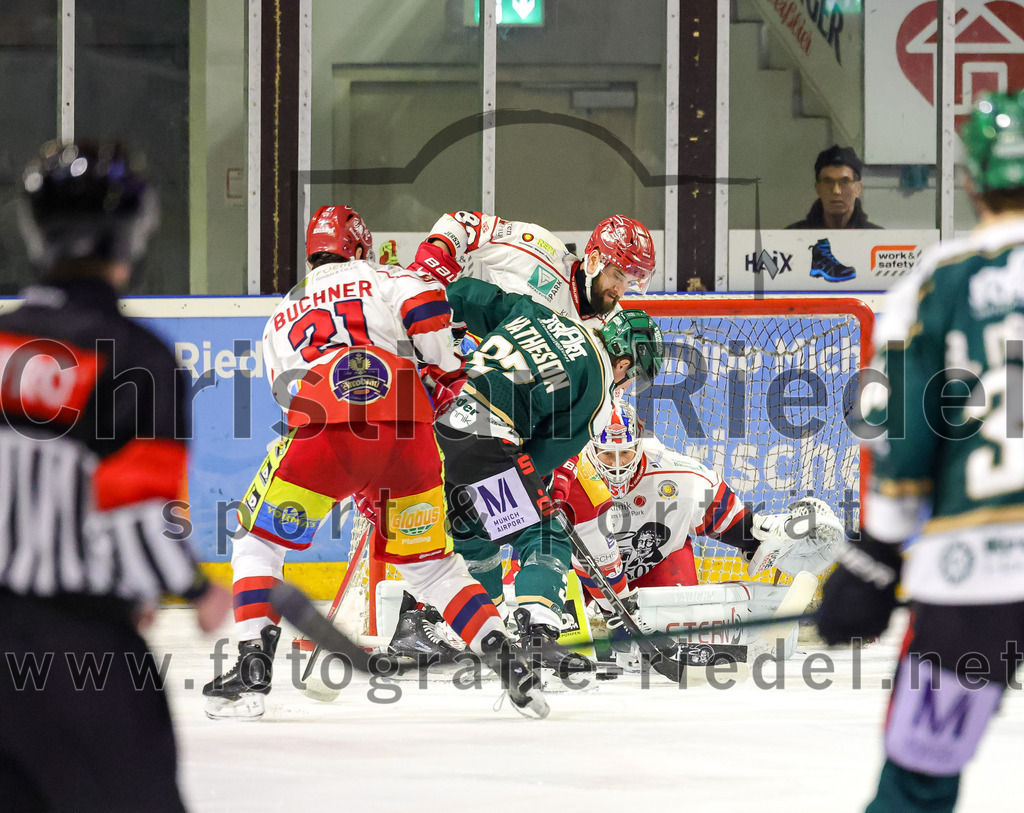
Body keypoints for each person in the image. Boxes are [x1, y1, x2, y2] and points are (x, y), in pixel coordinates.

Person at [203, 205, 548, 720]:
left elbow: (286, 394)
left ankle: (252, 676)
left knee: (259, 546)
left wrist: (350, 468)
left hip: (323, 435)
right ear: (360, 246)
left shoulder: (281, 313)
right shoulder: (386, 276)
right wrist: (444, 369)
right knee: (432, 567)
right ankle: (510, 664)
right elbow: (430, 312)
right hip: (408, 434)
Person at [0, 140, 232, 812]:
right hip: (75, 665)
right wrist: (197, 589)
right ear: (132, 235)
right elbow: (141, 519)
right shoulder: (134, 358)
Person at [817, 91, 1024, 812]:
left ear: (970, 180)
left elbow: (906, 438)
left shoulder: (939, 281)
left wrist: (874, 558)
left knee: (918, 778)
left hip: (975, 579)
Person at [432, 276, 664, 670]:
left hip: (441, 430)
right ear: (623, 362)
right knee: (544, 532)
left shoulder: (542, 314)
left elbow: (470, 295)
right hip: (490, 442)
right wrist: (533, 492)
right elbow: (543, 457)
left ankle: (477, 629)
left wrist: (434, 319)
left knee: (474, 535)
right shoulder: (598, 395)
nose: (628, 383)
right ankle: (537, 634)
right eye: (634, 374)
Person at [555, 401, 842, 664]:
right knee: (553, 633)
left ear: (640, 446)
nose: (616, 466)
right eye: (607, 454)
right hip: (583, 573)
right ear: (590, 449)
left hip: (653, 565)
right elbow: (536, 539)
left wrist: (768, 540)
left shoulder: (682, 477)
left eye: (625, 453)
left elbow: (733, 523)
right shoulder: (567, 475)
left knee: (674, 637)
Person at [413, 210, 656, 322]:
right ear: (594, 260)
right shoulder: (538, 249)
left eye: (630, 283)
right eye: (618, 276)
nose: (620, 291)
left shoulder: (615, 326)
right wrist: (428, 276)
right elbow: (462, 224)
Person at [787, 145, 883, 231]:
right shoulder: (792, 237)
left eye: (845, 182)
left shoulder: (876, 238)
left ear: (858, 189)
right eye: (828, 181)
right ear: (818, 189)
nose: (836, 191)